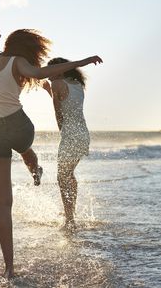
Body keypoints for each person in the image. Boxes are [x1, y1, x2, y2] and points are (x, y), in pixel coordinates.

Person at [0, 28, 102, 279]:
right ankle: (34, 166)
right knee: (24, 148)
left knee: (3, 204)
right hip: (19, 127)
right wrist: (83, 62)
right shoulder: (18, 63)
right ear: (28, 49)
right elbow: (40, 74)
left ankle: (9, 268)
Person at [43, 57, 94, 232]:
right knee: (68, 174)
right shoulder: (77, 85)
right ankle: (70, 214)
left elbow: (59, 113)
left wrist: (62, 133)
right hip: (83, 134)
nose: (47, 74)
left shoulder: (56, 84)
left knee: (62, 176)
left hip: (71, 136)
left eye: (50, 70)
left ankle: (70, 219)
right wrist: (48, 91)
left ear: (61, 70)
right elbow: (66, 102)